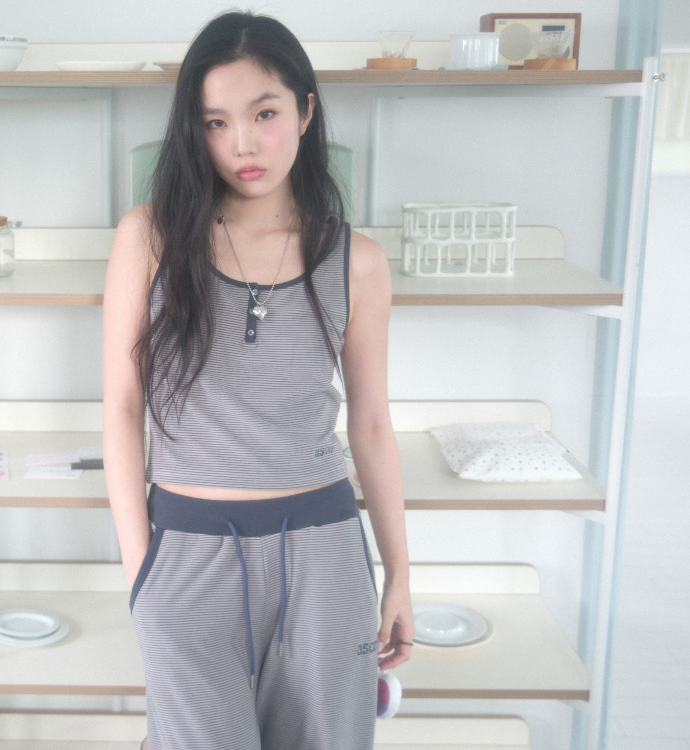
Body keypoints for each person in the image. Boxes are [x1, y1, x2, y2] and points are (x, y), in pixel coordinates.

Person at [102, 10, 413, 749]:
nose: (242, 143)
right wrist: (142, 571)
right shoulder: (149, 237)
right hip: (185, 550)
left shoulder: (358, 261)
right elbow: (121, 405)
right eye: (216, 122)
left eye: (264, 113)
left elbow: (371, 422)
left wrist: (400, 571)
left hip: (324, 552)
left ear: (305, 111)